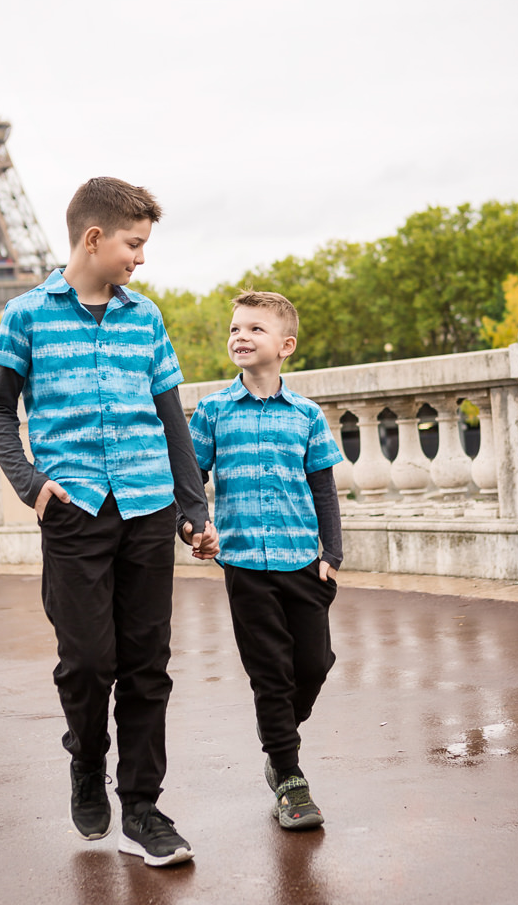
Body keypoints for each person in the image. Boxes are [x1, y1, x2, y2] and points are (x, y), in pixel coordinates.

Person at [0, 176, 218, 867]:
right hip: (75, 511)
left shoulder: (146, 317)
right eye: (133, 245)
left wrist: (191, 506)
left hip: (149, 506)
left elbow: (172, 417)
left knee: (148, 666)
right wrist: (32, 484)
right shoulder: (25, 316)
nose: (140, 259)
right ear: (94, 237)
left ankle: (141, 807)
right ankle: (87, 761)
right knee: (87, 662)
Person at [180, 290, 343, 830]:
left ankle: (278, 737)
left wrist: (332, 556)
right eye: (234, 329)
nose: (240, 337)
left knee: (314, 663)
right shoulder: (213, 411)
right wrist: (194, 525)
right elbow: (191, 480)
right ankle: (291, 778)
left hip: (302, 562)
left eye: (254, 329)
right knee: (269, 673)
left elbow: (323, 490)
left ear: (286, 345)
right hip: (246, 565)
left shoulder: (307, 416)